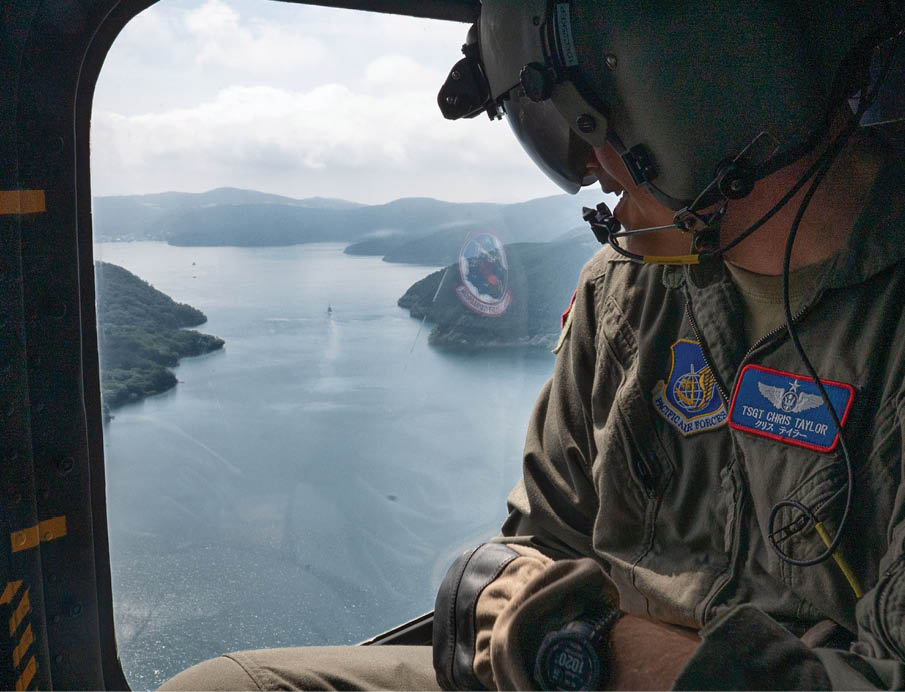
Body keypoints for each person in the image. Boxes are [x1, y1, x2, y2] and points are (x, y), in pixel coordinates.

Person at [162, 1, 905, 689]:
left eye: (590, 126)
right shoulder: (625, 291)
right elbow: (538, 543)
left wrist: (586, 642)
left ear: (679, 95)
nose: (589, 172)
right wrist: (554, 625)